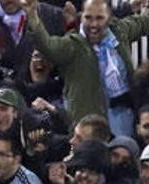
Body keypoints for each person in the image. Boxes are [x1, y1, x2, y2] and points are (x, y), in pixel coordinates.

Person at [24, 0, 149, 136]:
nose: (94, 24)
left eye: (99, 18)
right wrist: (32, 15)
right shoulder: (72, 44)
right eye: (88, 17)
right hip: (88, 127)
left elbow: (144, 22)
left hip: (125, 118)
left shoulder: (119, 31)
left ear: (109, 18)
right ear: (81, 17)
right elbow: (47, 46)